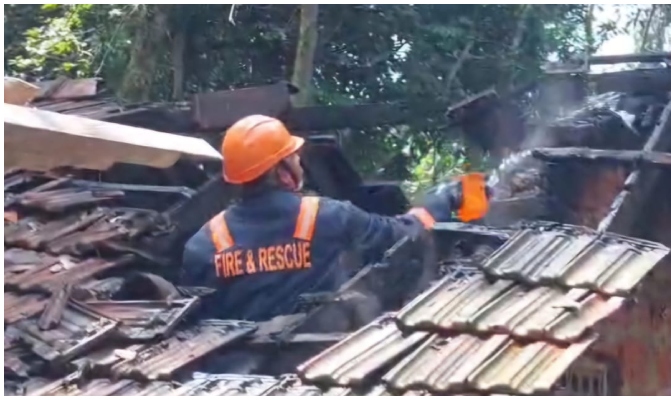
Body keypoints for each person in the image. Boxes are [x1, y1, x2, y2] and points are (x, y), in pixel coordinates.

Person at [180, 115, 490, 322]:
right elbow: (405, 236)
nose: (299, 160)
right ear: (281, 171)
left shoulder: (204, 242)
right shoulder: (327, 217)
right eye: (292, 156)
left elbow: (199, 315)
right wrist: (441, 201)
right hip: (312, 365)